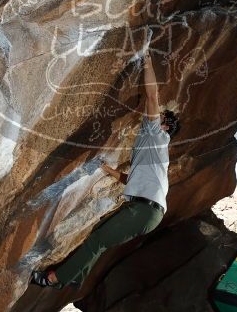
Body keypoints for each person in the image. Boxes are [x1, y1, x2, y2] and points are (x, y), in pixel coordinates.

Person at [31, 51, 180, 288]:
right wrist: (107, 169)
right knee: (101, 235)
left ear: (164, 125)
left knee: (97, 241)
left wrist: (147, 61)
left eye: (160, 116)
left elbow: (153, 95)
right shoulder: (154, 149)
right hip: (147, 211)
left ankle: (53, 279)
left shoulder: (156, 135)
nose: (153, 114)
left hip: (143, 210)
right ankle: (75, 278)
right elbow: (129, 179)